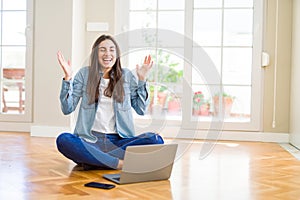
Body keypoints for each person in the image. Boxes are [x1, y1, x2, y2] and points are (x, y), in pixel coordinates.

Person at [56, 34, 164, 170]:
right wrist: (68, 78)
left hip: (118, 142)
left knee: (155, 139)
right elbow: (67, 108)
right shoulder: (84, 74)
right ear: (95, 53)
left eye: (112, 50)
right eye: (102, 50)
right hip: (91, 141)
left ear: (117, 54)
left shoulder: (126, 76)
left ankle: (96, 160)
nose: (108, 54)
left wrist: (142, 79)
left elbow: (141, 110)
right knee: (64, 140)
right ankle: (118, 163)